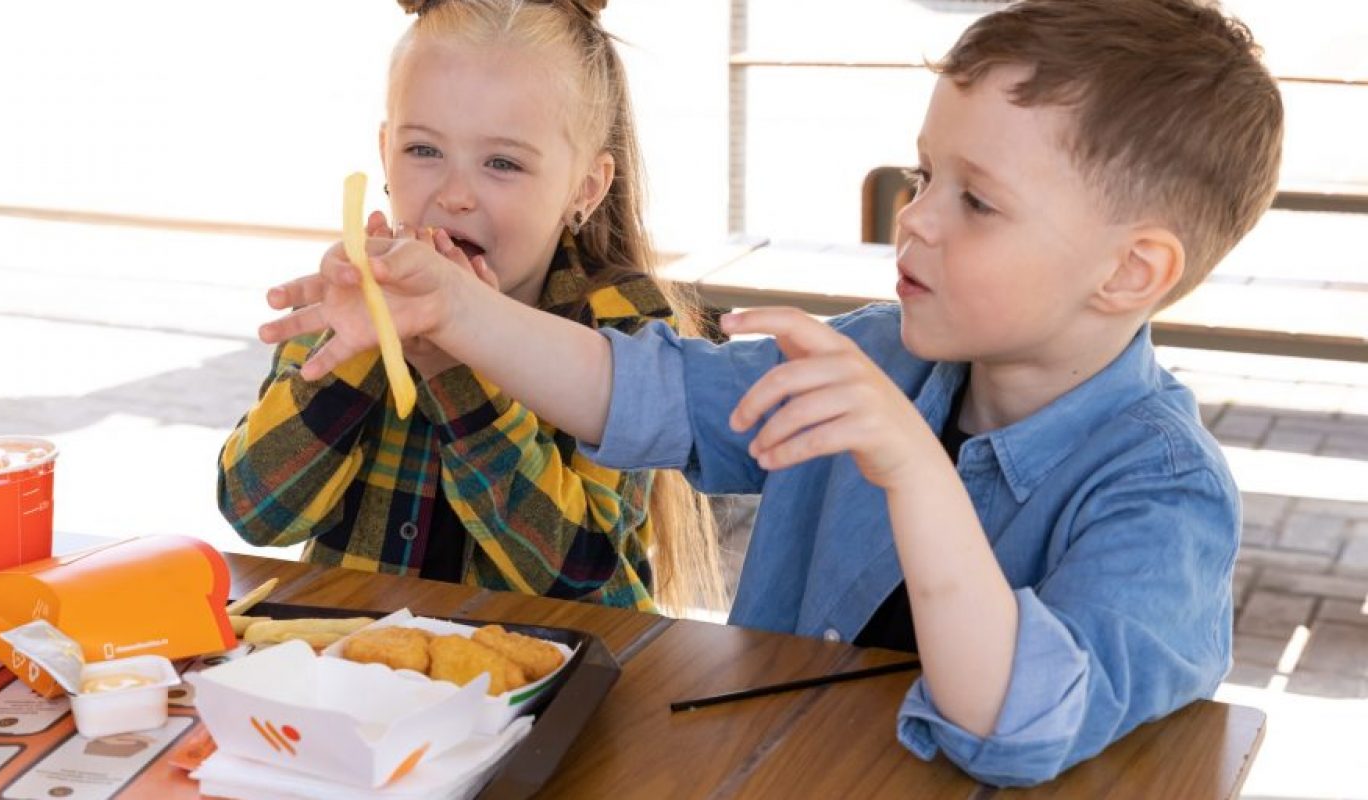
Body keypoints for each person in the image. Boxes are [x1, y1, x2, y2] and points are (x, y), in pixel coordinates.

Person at [273, 0, 1285, 785]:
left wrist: (910, 467)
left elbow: (1010, 721)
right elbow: (646, 392)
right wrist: (446, 309)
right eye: (925, 174)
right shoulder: (879, 351)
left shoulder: (1162, 494)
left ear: (1129, 273)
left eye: (975, 200)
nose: (917, 218)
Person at [219, 0, 723, 613]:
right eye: (424, 151)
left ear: (584, 190)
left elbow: (583, 576)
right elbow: (256, 515)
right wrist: (348, 356)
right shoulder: (357, 289)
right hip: (361, 679)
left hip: (553, 685)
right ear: (385, 152)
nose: (454, 195)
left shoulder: (620, 318)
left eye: (502, 163)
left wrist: (453, 371)